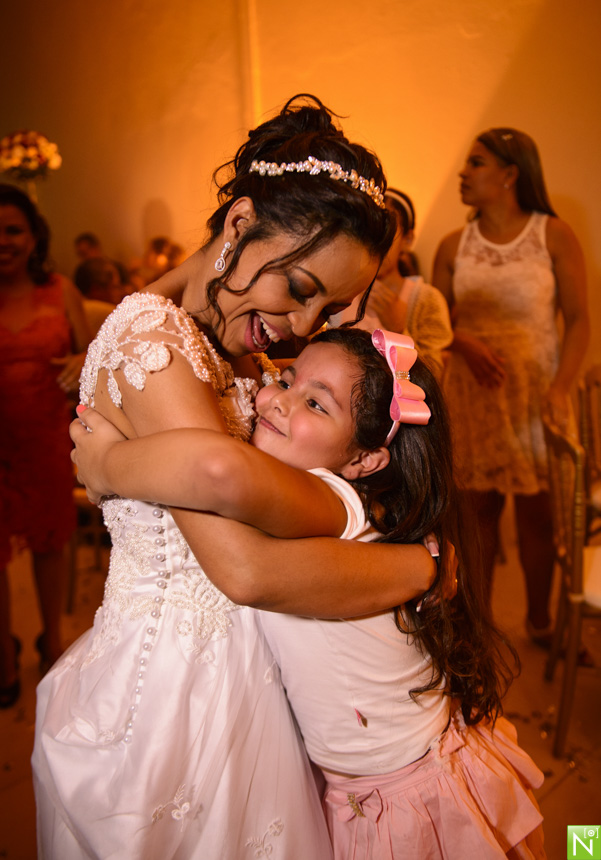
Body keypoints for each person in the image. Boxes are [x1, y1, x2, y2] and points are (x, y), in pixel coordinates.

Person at [32, 95, 438, 859]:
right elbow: (239, 559)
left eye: (326, 309)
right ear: (240, 223)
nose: (302, 325)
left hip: (252, 685)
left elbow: (287, 503)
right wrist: (415, 562)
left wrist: (411, 558)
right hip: (171, 702)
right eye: (302, 289)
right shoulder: (152, 341)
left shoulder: (240, 352)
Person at [70, 327, 546, 859]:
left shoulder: (336, 501)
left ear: (363, 461)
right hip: (376, 785)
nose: (277, 402)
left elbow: (220, 476)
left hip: (410, 792)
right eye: (288, 380)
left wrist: (109, 465)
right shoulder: (329, 499)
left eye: (316, 404)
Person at [432, 127, 590, 645]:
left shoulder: (554, 234)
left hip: (537, 393)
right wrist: (464, 343)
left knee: (538, 521)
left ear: (510, 174)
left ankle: (540, 624)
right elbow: (435, 322)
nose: (463, 172)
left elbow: (580, 319)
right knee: (476, 517)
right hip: (473, 396)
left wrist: (562, 387)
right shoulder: (454, 246)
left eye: (476, 163)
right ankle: (477, 624)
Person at [0, 185, 91, 707]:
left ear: (33, 236)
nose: (4, 241)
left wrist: (81, 361)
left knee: (49, 544)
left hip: (45, 437)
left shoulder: (61, 291)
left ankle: (53, 643)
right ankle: (3, 655)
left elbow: (94, 354)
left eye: (13, 229)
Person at [332, 189, 452, 379]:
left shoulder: (426, 299)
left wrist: (398, 330)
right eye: (366, 233)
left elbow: (433, 377)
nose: (374, 246)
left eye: (386, 235)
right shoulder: (339, 289)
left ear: (408, 240)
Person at [73, 256, 126, 336]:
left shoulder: (73, 310)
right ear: (96, 290)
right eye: (115, 287)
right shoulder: (109, 314)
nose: (121, 292)